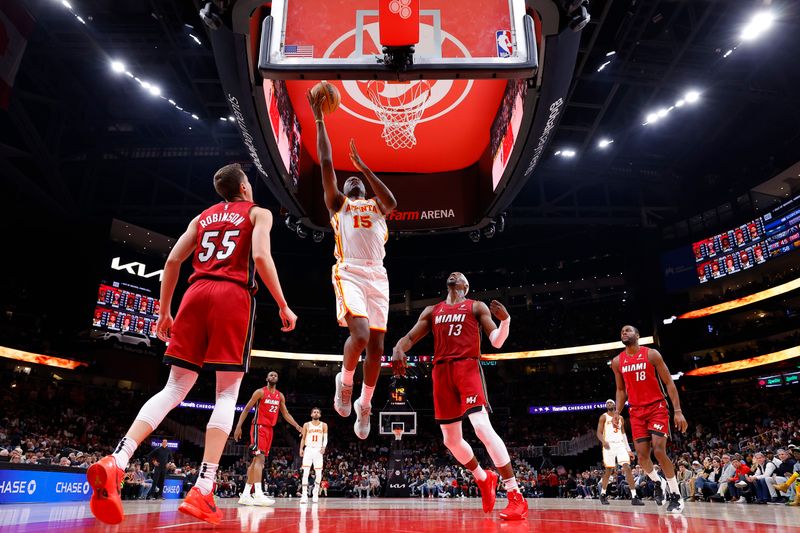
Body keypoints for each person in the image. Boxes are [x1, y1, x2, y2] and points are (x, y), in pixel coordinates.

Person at [87, 163, 297, 526]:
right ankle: (204, 486)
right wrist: (282, 303)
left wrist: (164, 311)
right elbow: (261, 257)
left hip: (194, 294)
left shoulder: (203, 216)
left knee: (174, 388)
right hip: (231, 297)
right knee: (227, 395)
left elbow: (172, 260)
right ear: (245, 188)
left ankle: (117, 459)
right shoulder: (258, 212)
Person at [392, 272, 528, 521]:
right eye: (451, 274)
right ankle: (484, 478)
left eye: (460, 275)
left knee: (481, 428)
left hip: (466, 367)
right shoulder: (433, 310)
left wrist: (506, 321)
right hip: (441, 372)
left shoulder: (476, 306)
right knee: (451, 441)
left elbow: (496, 342)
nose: (454, 274)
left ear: (465, 285)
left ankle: (515, 495)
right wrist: (398, 347)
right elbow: (410, 337)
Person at [307, 91, 397, 440]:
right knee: (359, 336)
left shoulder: (377, 206)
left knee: (377, 350)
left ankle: (365, 403)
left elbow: (391, 200)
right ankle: (344, 383)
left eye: (357, 182)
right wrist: (319, 119)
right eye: (351, 181)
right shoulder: (339, 205)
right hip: (350, 271)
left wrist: (363, 167)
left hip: (378, 275)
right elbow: (327, 164)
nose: (354, 182)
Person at [611, 325, 688, 514]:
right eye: (621, 331)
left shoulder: (651, 354)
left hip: (657, 407)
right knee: (642, 456)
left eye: (628, 330)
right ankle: (657, 482)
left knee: (659, 450)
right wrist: (617, 413)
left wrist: (677, 410)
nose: (624, 333)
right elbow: (621, 391)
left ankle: (676, 495)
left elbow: (669, 382)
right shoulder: (617, 361)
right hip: (636, 412)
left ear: (637, 335)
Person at [234, 371, 303, 506]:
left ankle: (246, 493)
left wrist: (297, 426)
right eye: (271, 375)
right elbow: (247, 408)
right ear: (266, 378)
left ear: (277, 379)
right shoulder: (260, 392)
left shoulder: (279, 396)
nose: (273, 377)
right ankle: (259, 493)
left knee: (255, 462)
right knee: (260, 459)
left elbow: (286, 414)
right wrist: (238, 426)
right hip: (258, 427)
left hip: (269, 429)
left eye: (275, 375)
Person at [596, 399, 642, 506]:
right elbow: (598, 432)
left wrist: (629, 450)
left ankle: (634, 496)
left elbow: (624, 434)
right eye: (607, 403)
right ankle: (603, 494)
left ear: (615, 405)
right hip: (609, 445)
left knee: (627, 468)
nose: (609, 404)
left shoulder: (620, 418)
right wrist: (603, 441)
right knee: (608, 471)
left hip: (620, 445)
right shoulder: (603, 417)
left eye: (611, 402)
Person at [299, 407, 328, 504]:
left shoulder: (324, 425)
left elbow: (325, 438)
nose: (316, 413)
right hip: (308, 449)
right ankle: (304, 495)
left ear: (320, 415)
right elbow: (303, 438)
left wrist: (324, 447)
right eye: (314, 412)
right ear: (311, 414)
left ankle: (315, 493)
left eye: (317, 412)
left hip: (318, 450)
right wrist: (301, 448)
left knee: (319, 473)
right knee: (306, 472)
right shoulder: (306, 425)